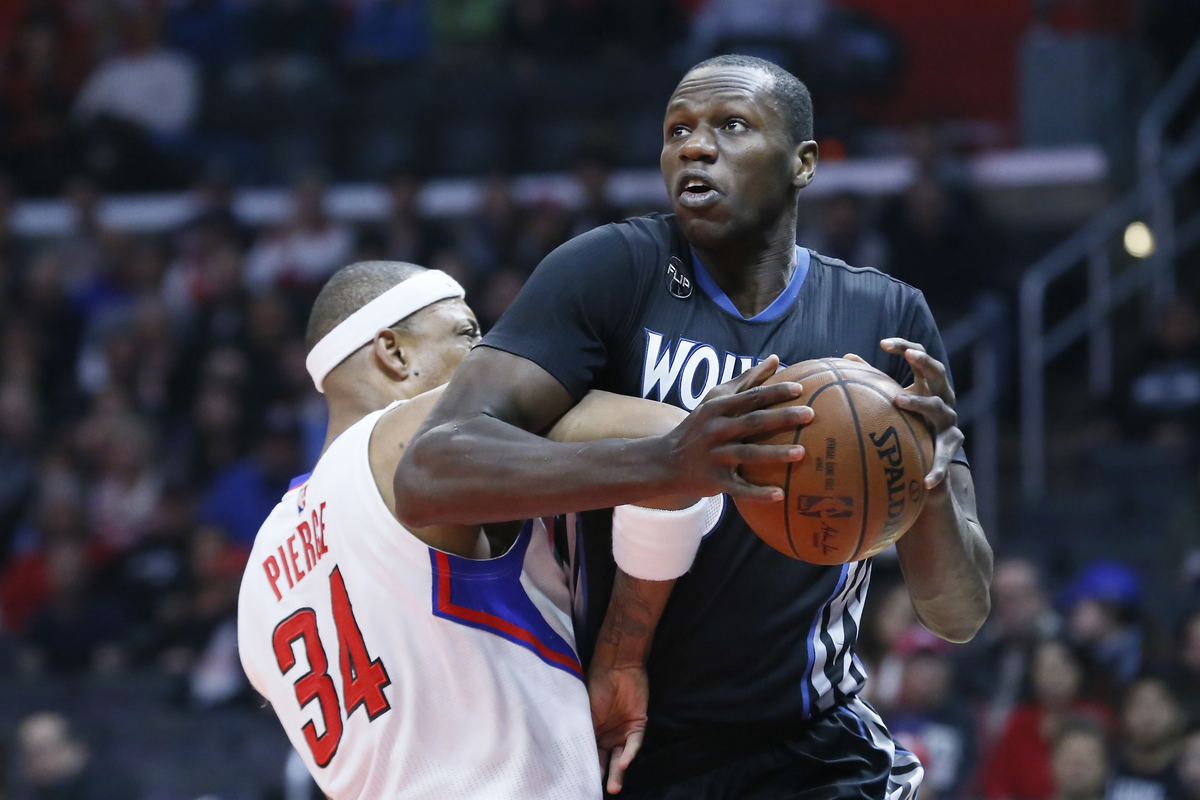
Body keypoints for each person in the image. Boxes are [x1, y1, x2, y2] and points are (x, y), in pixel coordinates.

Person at [396, 54, 993, 798]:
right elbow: (431, 472)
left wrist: (928, 482)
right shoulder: (612, 270)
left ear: (803, 163)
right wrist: (668, 461)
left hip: (814, 740)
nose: (694, 147)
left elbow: (958, 614)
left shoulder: (886, 318)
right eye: (677, 130)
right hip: (627, 736)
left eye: (731, 126)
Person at [237, 260, 799, 798]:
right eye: (467, 333)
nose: (491, 357)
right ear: (393, 351)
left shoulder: (257, 583)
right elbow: (670, 445)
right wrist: (622, 650)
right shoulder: (409, 439)